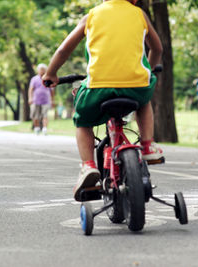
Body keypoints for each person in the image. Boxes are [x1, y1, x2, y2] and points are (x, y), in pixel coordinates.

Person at [42, 0, 164, 201]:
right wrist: (147, 73)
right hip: (135, 88)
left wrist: (51, 73)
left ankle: (88, 166)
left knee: (82, 120)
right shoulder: (139, 14)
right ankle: (148, 145)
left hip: (98, 88)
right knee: (145, 98)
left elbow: (64, 50)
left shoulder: (91, 16)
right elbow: (157, 49)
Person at [28, 64, 54, 135]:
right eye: (40, 70)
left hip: (46, 101)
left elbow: (52, 91)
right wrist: (30, 98)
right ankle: (37, 128)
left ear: (45, 70)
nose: (42, 71)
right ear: (38, 71)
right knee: (35, 115)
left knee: (45, 115)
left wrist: (52, 100)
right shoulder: (34, 79)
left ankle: (44, 129)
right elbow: (31, 89)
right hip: (35, 100)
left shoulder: (48, 79)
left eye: (43, 70)